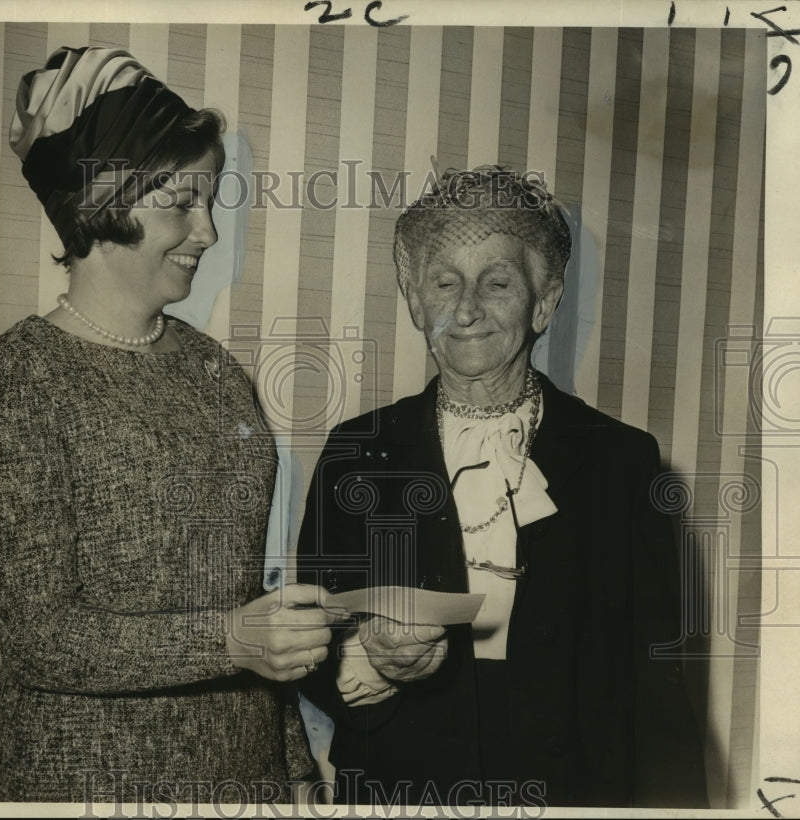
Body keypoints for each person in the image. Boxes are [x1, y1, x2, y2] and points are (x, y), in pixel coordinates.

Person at [0, 45, 339, 804]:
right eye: (178, 202)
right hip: (88, 774)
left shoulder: (216, 372)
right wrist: (229, 640)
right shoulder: (19, 379)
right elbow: (40, 639)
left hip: (242, 775)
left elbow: (242, 600)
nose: (208, 232)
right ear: (98, 198)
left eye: (210, 200)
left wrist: (290, 764)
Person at [296, 165, 708, 809]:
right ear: (413, 298)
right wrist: (366, 660)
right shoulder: (357, 452)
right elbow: (312, 630)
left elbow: (656, 682)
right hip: (404, 784)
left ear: (544, 301)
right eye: (443, 282)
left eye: (497, 282)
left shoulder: (621, 462)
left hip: (575, 788)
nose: (465, 309)